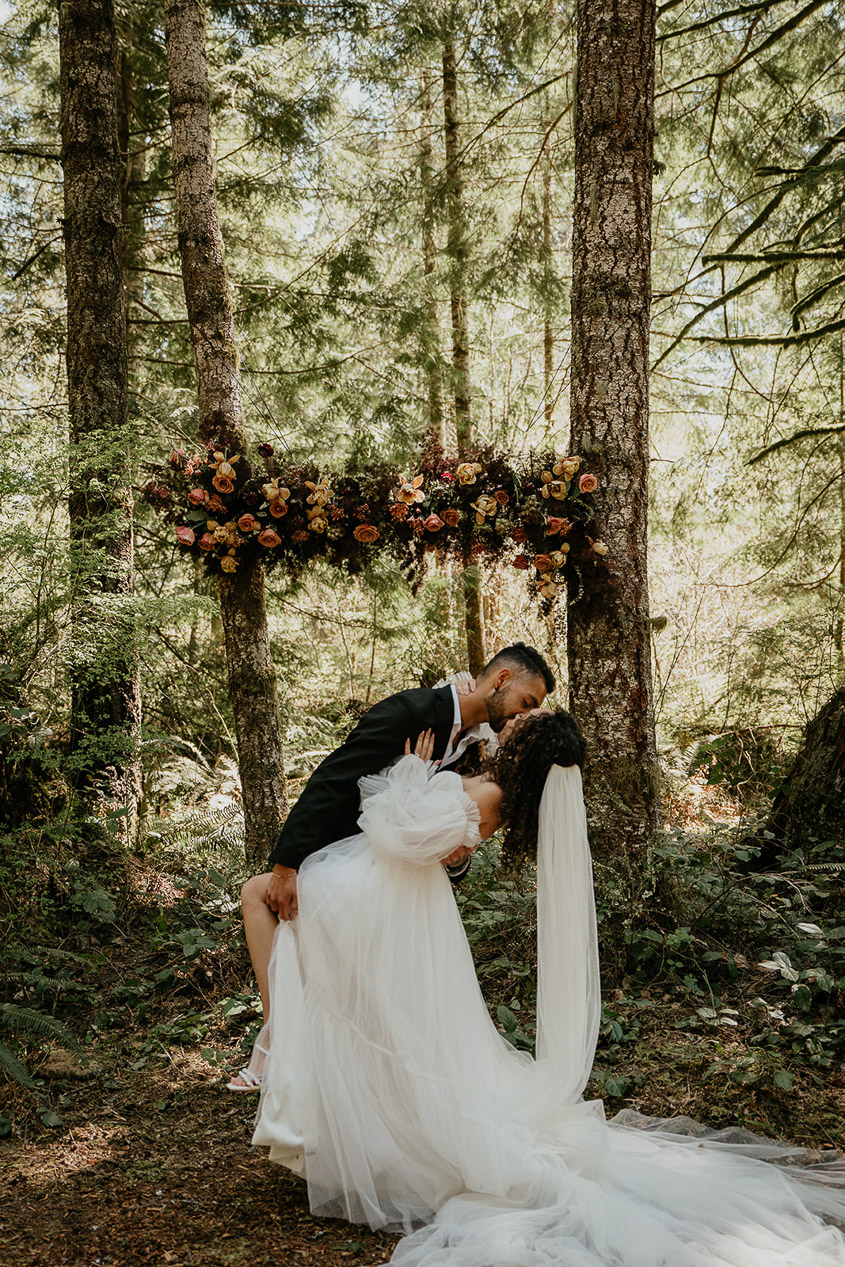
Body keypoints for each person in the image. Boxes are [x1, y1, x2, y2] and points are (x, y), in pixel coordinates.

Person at [250, 708, 845, 1267]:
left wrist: (409, 774)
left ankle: (279, 1040)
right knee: (386, 1023)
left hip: (375, 895)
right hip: (403, 910)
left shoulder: (484, 794)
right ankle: (310, 1085)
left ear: (528, 748)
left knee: (264, 901)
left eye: (525, 722)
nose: (513, 724)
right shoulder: (495, 799)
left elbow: (400, 838)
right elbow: (439, 848)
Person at [227, 644, 555, 1091]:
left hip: (387, 875)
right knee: (263, 896)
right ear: (501, 680)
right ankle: (285, 1046)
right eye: (527, 701)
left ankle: (291, 1053)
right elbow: (334, 778)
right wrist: (287, 866)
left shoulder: (483, 748)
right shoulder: (412, 711)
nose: (522, 715)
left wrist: (456, 855)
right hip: (348, 857)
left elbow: (456, 829)